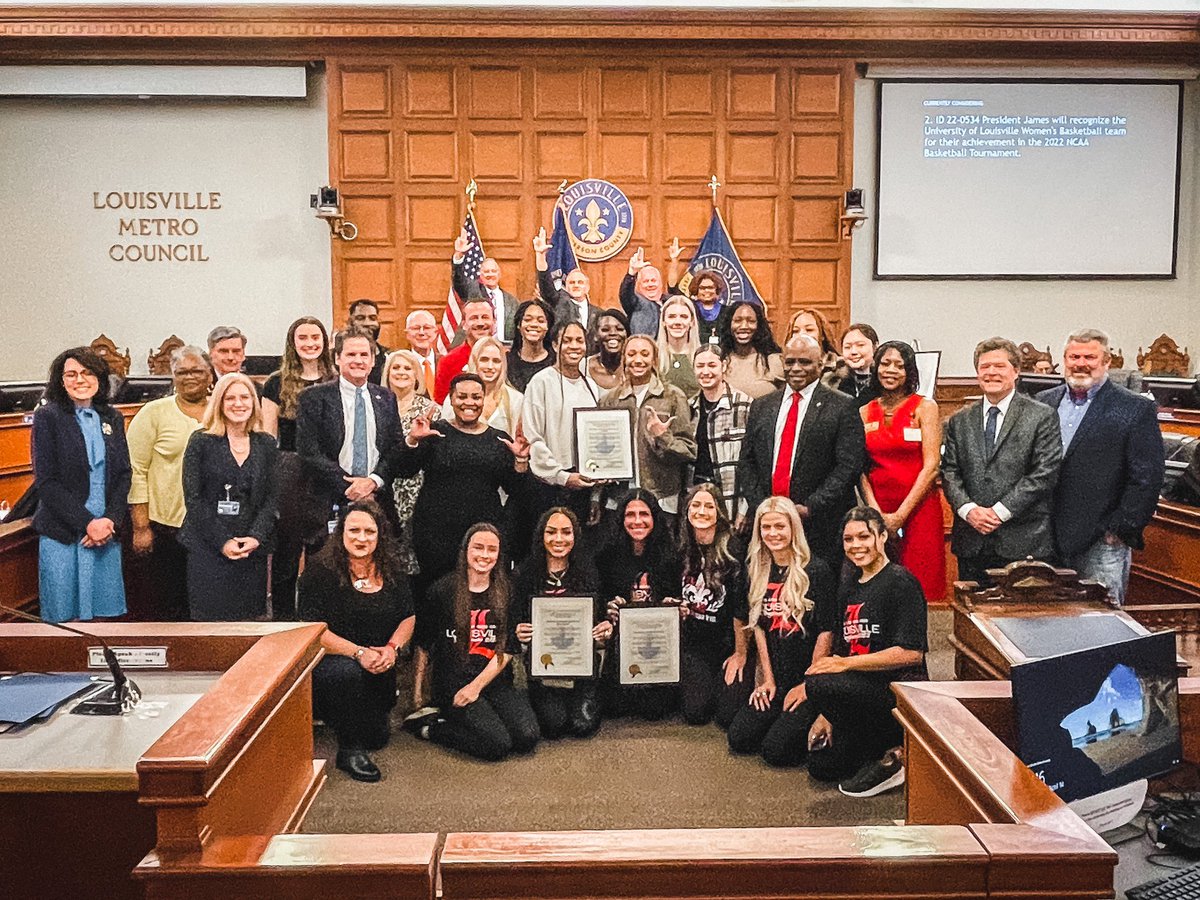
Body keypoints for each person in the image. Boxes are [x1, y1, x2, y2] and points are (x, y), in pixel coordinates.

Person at [396, 372, 530, 708]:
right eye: (462, 396)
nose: (469, 402)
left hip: (482, 542)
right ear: (451, 399)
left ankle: (474, 676)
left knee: (481, 610)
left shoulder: (499, 440)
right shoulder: (435, 434)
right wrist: (413, 441)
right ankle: (420, 688)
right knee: (434, 606)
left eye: (475, 396)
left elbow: (517, 490)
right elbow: (402, 469)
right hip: (435, 537)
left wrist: (520, 461)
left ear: (485, 400)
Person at [805, 506, 928, 798]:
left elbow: (912, 653)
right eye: (849, 540)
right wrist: (827, 714)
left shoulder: (901, 582)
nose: (856, 546)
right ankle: (874, 752)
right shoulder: (848, 586)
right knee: (821, 766)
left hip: (897, 690)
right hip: (860, 690)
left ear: (883, 536)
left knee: (821, 680)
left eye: (864, 536)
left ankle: (898, 750)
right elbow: (840, 645)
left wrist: (846, 665)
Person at [1034, 328, 1163, 605]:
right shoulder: (1044, 402)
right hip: (1047, 536)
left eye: (1090, 357)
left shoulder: (1134, 408)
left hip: (1102, 541)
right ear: (1064, 360)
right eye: (1074, 356)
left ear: (1106, 362)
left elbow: (1147, 477)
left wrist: (1119, 528)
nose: (1081, 363)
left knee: (1101, 623)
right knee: (1049, 619)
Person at [298, 500, 415, 782]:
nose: (361, 538)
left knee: (377, 738)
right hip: (333, 664)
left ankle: (353, 724)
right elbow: (313, 630)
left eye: (369, 532)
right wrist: (358, 653)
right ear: (341, 533)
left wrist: (392, 650)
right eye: (353, 531)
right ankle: (349, 751)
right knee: (346, 674)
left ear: (380, 535)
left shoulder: (393, 569)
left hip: (379, 663)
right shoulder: (319, 571)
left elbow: (408, 617)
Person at [410, 524, 540, 761]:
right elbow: (423, 643)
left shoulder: (507, 590)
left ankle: (474, 714)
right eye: (478, 547)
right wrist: (418, 695)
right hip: (454, 683)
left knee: (527, 737)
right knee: (497, 745)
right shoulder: (442, 591)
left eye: (492, 549)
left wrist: (476, 687)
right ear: (465, 550)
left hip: (495, 680)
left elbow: (508, 648)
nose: (484, 555)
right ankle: (432, 728)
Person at [941, 337, 1062, 585]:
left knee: (1022, 621)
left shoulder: (1041, 416)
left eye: (1000, 366)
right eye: (985, 367)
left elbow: (1044, 473)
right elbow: (949, 471)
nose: (992, 372)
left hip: (1023, 540)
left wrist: (998, 513)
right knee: (971, 618)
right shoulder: (959, 420)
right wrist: (969, 510)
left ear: (1016, 371)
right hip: (972, 540)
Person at [739, 333, 866, 568]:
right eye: (790, 362)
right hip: (770, 526)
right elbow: (747, 462)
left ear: (821, 364)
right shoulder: (762, 406)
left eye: (805, 362)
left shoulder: (842, 406)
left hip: (821, 524)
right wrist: (763, 508)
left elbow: (848, 466)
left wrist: (810, 507)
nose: (796, 368)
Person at [726, 497, 834, 766]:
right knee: (739, 738)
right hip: (779, 677)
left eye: (780, 526)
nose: (773, 533)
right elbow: (760, 629)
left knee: (776, 753)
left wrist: (810, 685)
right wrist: (767, 681)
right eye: (766, 527)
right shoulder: (757, 571)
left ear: (793, 528)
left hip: (808, 679)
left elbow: (826, 632)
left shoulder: (817, 570)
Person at [32, 347, 131, 623]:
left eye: (87, 373)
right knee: (64, 619)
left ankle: (99, 668)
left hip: (105, 533)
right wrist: (88, 523)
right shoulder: (48, 417)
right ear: (60, 381)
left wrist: (110, 520)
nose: (80, 380)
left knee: (104, 614)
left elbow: (124, 474)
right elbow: (46, 482)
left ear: (99, 378)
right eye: (71, 374)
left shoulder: (112, 417)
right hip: (63, 530)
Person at [179, 372, 277, 620]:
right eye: (230, 398)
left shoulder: (265, 443)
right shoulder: (201, 441)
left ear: (254, 402)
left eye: (245, 397)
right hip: (209, 548)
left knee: (248, 624)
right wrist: (223, 541)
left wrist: (255, 537)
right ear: (219, 403)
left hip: (251, 550)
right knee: (210, 627)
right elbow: (194, 499)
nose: (238, 403)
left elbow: (271, 497)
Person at [125, 345, 211, 621]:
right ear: (172, 376)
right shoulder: (154, 412)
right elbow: (136, 470)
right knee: (169, 604)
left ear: (210, 374)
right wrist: (140, 526)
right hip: (166, 526)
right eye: (181, 372)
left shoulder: (222, 410)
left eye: (197, 370)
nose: (190, 377)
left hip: (213, 526)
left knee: (206, 603)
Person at [512, 507, 610, 739]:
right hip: (544, 669)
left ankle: (587, 694)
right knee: (553, 726)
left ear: (575, 536)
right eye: (551, 532)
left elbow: (600, 619)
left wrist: (605, 628)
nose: (558, 539)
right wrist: (518, 629)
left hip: (582, 668)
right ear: (541, 536)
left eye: (566, 532)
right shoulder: (525, 574)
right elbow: (513, 617)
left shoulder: (589, 572)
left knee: (582, 726)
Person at [859, 340, 945, 603]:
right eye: (885, 364)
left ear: (910, 372)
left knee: (922, 584)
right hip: (878, 510)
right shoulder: (864, 411)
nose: (891, 370)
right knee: (879, 586)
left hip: (919, 509)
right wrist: (876, 512)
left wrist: (899, 516)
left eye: (900, 365)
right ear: (876, 368)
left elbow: (931, 466)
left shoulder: (924, 407)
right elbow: (860, 469)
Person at [261, 316, 335, 618]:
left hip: (328, 473)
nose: (309, 344)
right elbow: (268, 436)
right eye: (302, 338)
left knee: (324, 553)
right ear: (293, 343)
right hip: (289, 471)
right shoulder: (276, 382)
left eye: (315, 337)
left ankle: (319, 619)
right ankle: (281, 619)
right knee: (287, 554)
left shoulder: (336, 377)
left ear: (325, 342)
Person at [296, 326, 401, 534]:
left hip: (377, 500)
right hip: (328, 502)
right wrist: (352, 487)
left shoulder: (386, 398)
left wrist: (372, 482)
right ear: (337, 358)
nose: (358, 360)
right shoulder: (313, 398)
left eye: (364, 355)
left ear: (372, 360)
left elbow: (395, 449)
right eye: (351, 354)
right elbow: (309, 451)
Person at [676, 484, 752, 727]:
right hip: (693, 645)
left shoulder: (734, 550)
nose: (702, 511)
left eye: (709, 506)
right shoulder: (681, 548)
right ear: (687, 510)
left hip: (727, 643)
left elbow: (743, 608)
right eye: (696, 505)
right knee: (696, 713)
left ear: (720, 512)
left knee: (726, 716)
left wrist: (740, 654)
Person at [601, 490, 681, 720]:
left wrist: (670, 605)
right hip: (622, 640)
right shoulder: (607, 553)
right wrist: (609, 608)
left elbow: (677, 595)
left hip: (659, 643)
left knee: (655, 711)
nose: (637, 521)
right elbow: (599, 595)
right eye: (630, 515)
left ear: (655, 518)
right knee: (614, 708)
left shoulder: (670, 553)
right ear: (621, 519)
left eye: (644, 514)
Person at [599, 334, 696, 518]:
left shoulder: (673, 397)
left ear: (654, 360)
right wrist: (596, 497)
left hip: (662, 497)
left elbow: (688, 450)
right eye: (632, 354)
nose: (638, 360)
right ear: (624, 359)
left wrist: (663, 437)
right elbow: (598, 451)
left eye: (644, 354)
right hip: (618, 497)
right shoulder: (609, 400)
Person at [522, 321, 604, 525]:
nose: (574, 346)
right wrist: (561, 476)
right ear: (556, 345)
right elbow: (533, 437)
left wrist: (597, 489)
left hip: (583, 483)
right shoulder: (541, 382)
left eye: (579, 341)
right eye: (567, 341)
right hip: (549, 486)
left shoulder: (592, 386)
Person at [381, 348, 442, 577]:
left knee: (415, 553)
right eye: (396, 367)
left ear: (417, 375)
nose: (401, 372)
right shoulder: (379, 404)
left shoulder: (431, 410)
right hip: (385, 485)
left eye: (407, 368)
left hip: (419, 487)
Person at [691, 344, 751, 525]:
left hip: (730, 500)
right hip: (698, 497)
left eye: (712, 365)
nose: (706, 371)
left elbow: (753, 462)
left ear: (724, 366)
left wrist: (744, 508)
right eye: (700, 366)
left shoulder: (745, 405)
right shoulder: (689, 407)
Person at [442, 336, 523, 436]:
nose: (490, 366)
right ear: (475, 361)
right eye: (484, 360)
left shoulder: (516, 400)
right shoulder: (455, 397)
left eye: (496, 361)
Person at [452, 228, 518, 344]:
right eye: (486, 272)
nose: (490, 275)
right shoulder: (472, 291)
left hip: (504, 348)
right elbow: (459, 281)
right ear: (480, 275)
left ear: (499, 274)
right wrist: (459, 257)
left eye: (493, 271)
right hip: (475, 345)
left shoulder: (512, 301)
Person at [533, 226, 603, 335]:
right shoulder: (558, 302)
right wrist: (541, 256)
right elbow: (546, 285)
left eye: (580, 282)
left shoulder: (599, 314)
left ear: (587, 287)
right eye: (571, 282)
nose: (576, 285)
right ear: (566, 286)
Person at [433, 298, 495, 403]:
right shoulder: (448, 362)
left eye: (485, 317)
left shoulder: (505, 358)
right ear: (464, 324)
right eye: (474, 318)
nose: (480, 323)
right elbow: (440, 403)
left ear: (494, 322)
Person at [719, 300, 783, 400]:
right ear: (729, 324)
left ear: (759, 325)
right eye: (738, 320)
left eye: (751, 321)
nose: (744, 326)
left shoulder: (774, 361)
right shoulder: (719, 361)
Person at [656, 294, 701, 399]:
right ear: (663, 321)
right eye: (671, 317)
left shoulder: (702, 356)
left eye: (684, 317)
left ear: (692, 322)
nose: (677, 322)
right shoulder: (653, 356)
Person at [506, 299, 556, 392]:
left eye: (541, 321)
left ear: (548, 327)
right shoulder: (506, 362)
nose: (534, 324)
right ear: (518, 325)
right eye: (528, 320)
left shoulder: (556, 362)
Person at [786, 308, 843, 389]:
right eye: (795, 331)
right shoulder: (782, 368)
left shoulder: (840, 367)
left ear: (822, 334)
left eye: (809, 330)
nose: (802, 335)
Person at [620, 246, 668, 337]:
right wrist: (632, 273)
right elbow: (625, 295)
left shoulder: (670, 301)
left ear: (661, 283)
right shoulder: (636, 303)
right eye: (646, 281)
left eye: (653, 280)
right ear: (639, 285)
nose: (650, 285)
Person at [348, 299, 391, 384]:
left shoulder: (389, 357)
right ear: (350, 322)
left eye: (372, 318)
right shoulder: (337, 357)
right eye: (360, 318)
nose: (367, 323)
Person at [586, 308, 629, 391]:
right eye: (605, 329)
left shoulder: (635, 368)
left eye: (619, 329)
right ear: (595, 336)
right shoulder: (582, 368)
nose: (613, 333)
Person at [839, 323, 881, 408]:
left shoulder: (883, 380)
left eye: (860, 345)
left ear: (875, 347)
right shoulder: (833, 382)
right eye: (847, 347)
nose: (853, 352)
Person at [684, 268, 728, 345]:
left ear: (717, 290)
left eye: (710, 287)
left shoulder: (727, 311)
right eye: (702, 288)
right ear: (696, 290)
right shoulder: (690, 309)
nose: (707, 291)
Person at [404, 309, 439, 395]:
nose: (421, 332)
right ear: (407, 334)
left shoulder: (446, 362)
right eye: (416, 328)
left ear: (435, 332)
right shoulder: (402, 364)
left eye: (427, 328)